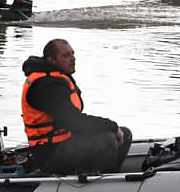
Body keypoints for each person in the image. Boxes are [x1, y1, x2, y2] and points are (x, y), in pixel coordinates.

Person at [21, 39, 131, 175]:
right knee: (107, 139)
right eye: (66, 56)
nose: (73, 59)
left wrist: (114, 128)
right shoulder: (45, 85)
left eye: (72, 54)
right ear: (51, 61)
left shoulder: (55, 78)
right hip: (49, 152)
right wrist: (112, 126)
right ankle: (100, 183)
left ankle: (109, 175)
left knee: (124, 133)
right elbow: (74, 122)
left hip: (65, 141)